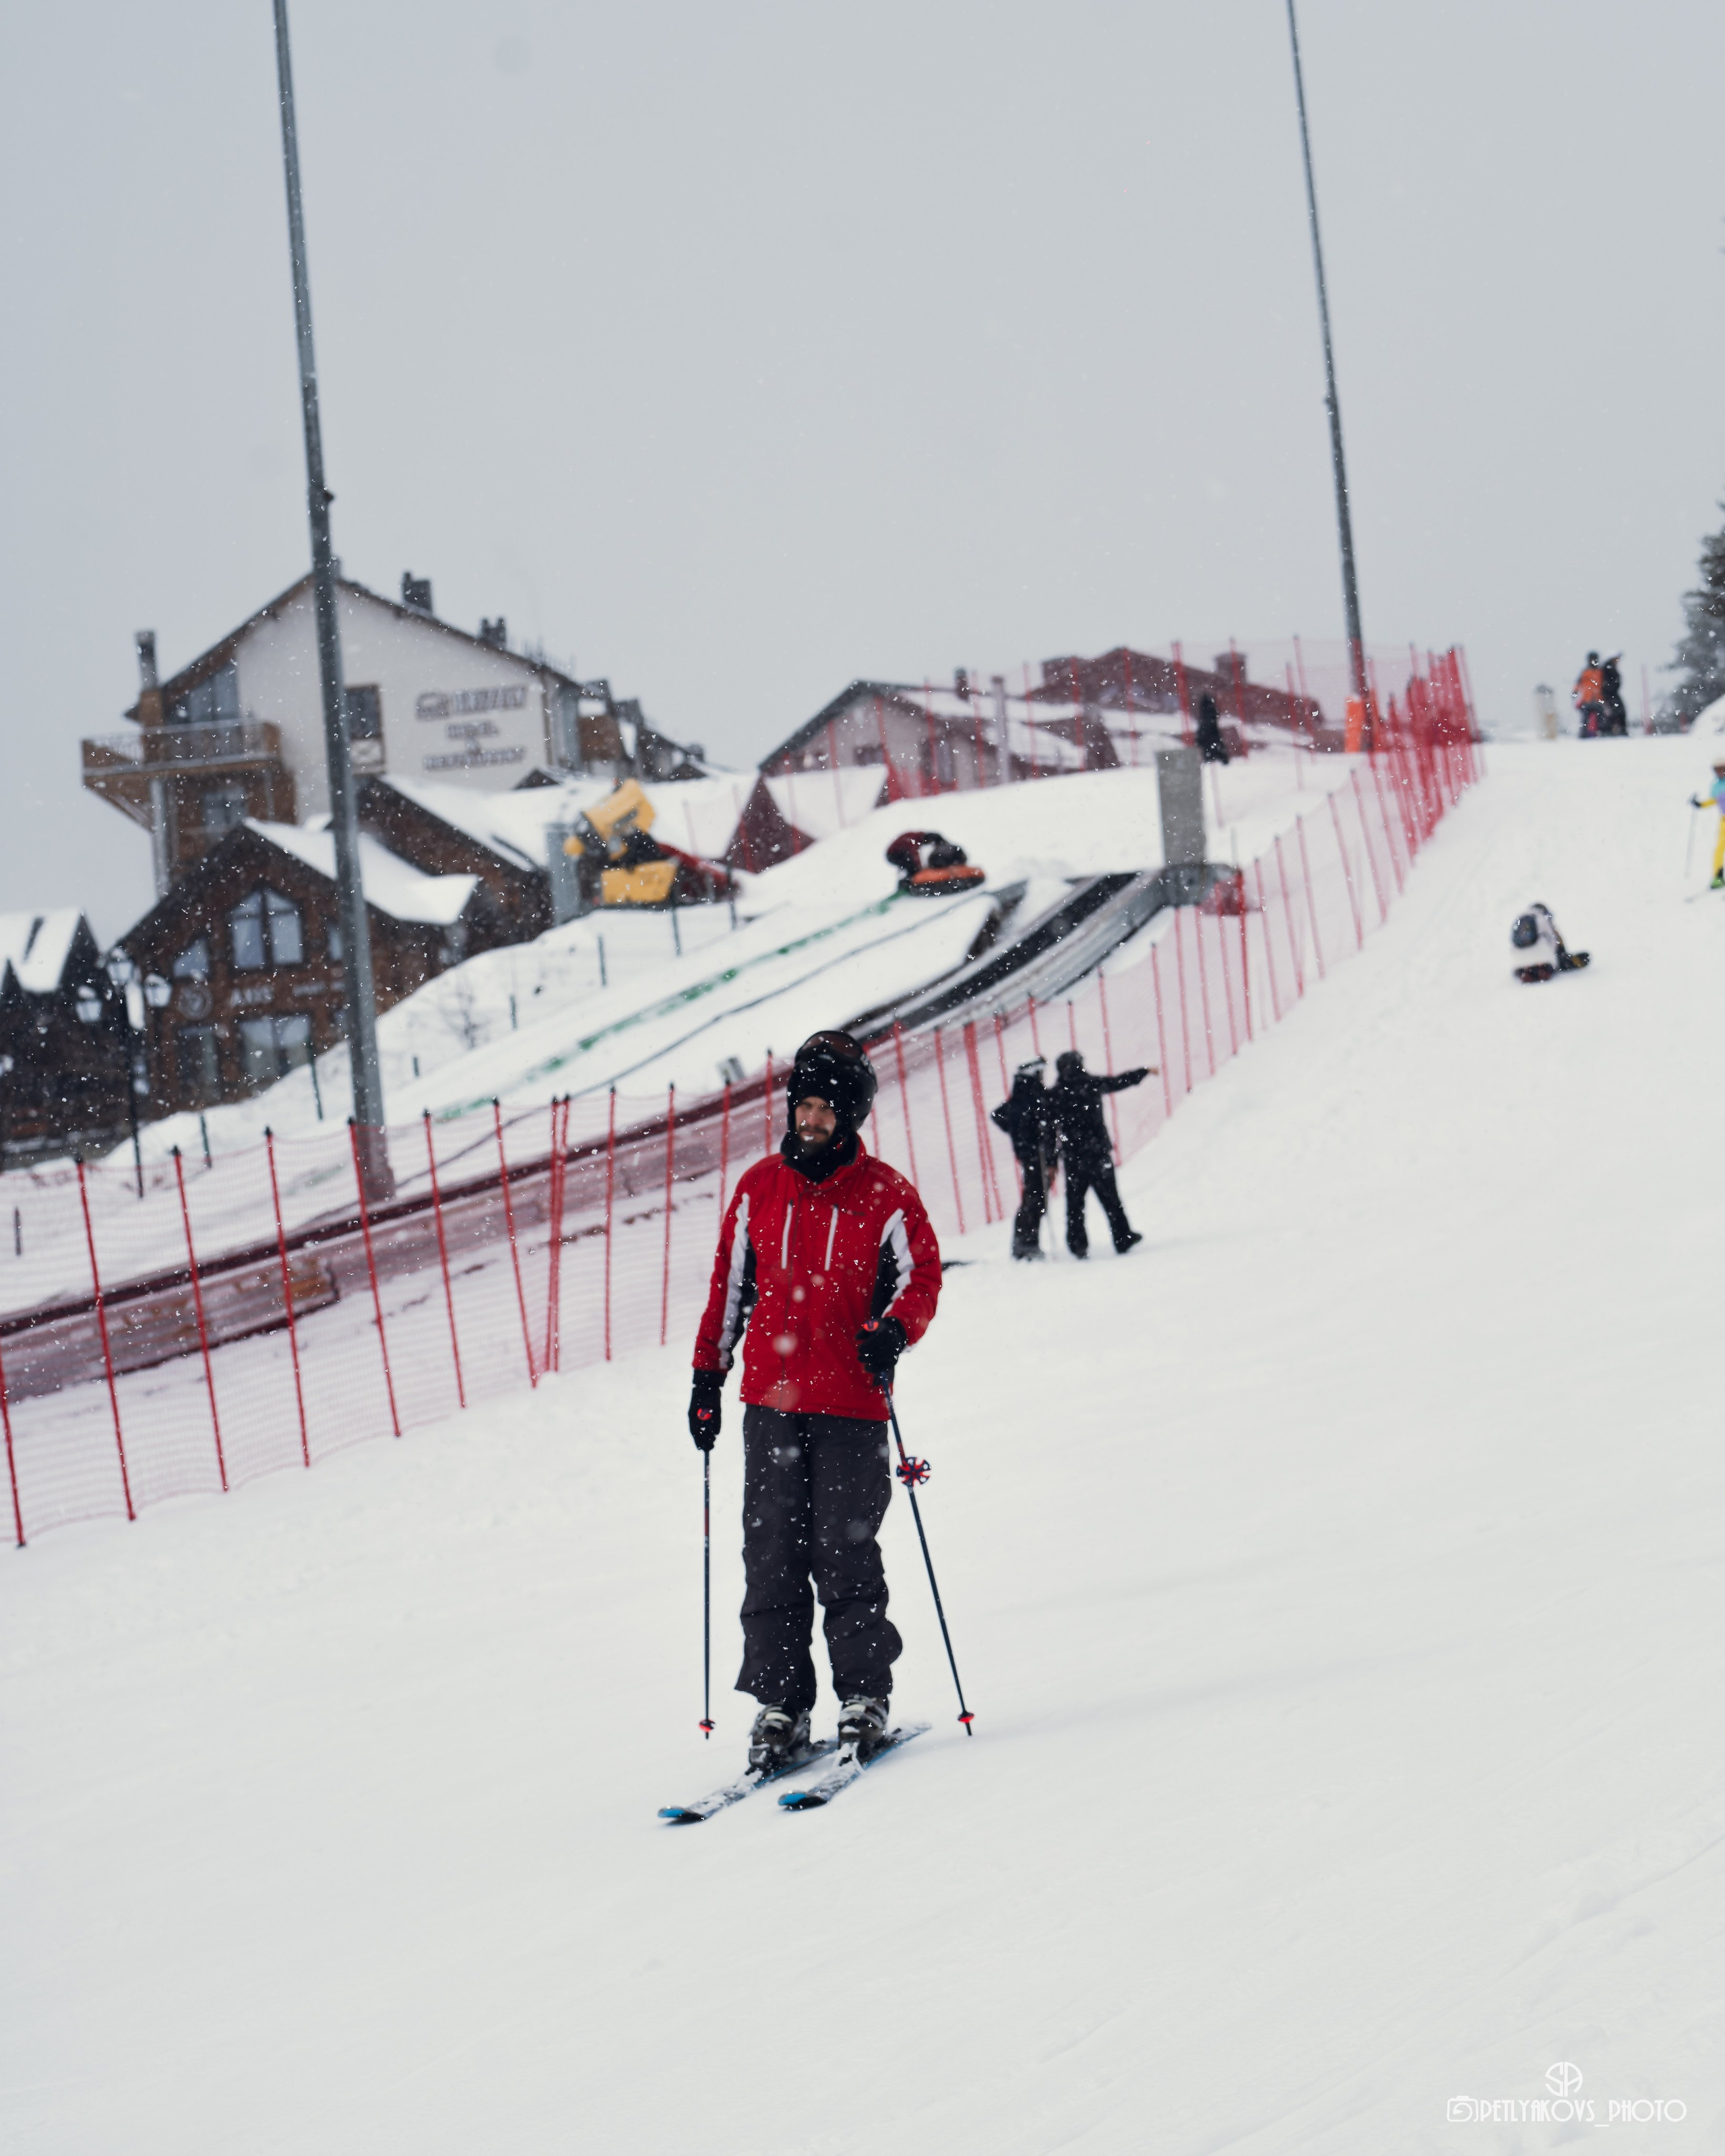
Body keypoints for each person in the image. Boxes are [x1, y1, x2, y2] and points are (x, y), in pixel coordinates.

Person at [688, 1029, 942, 1771]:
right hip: (769, 1403)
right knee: (770, 1554)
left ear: (850, 1115)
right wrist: (706, 1377)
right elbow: (728, 1289)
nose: (810, 1119)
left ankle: (863, 1695)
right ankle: (781, 1705)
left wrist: (895, 1331)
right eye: (802, 1105)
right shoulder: (759, 1189)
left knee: (845, 1553)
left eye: (825, 1109)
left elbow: (922, 1277)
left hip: (851, 1406)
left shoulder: (887, 1195)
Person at [1048, 1048, 1153, 1257]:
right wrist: (1143, 1072)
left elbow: (1049, 1131)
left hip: (1073, 1157)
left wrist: (1052, 1160)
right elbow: (1118, 1082)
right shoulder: (1090, 1084)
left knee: (1075, 1204)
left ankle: (1078, 1244)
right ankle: (1123, 1238)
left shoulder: (1055, 1094)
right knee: (1111, 1199)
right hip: (1097, 1153)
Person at [991, 1058, 1053, 1259]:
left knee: (1034, 1198)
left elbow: (1000, 1115)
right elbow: (1000, 1116)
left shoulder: (1023, 1092)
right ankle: (1026, 1243)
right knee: (1035, 1199)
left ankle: (1026, 1242)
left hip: (1031, 1155)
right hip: (1034, 1156)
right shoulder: (1030, 1094)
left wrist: (1019, 1136)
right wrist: (1026, 1138)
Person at [1509, 903, 1590, 983]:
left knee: (1530, 969)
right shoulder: (1541, 918)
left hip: (1520, 963)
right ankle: (1541, 970)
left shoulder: (1519, 918)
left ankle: (1526, 972)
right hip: (1544, 961)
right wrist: (1561, 954)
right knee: (1582, 958)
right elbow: (1555, 940)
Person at [1690, 757, 1725, 890]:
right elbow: (1713, 801)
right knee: (1719, 850)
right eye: (1717, 770)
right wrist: (1699, 804)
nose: (1720, 772)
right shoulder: (1716, 786)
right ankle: (1718, 877)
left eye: (1722, 769)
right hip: (1724, 822)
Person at [1572, 653, 1605, 739]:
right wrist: (1575, 692)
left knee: (1600, 717)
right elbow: (1579, 683)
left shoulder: (1600, 672)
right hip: (1587, 699)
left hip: (1598, 699)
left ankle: (1600, 732)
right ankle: (1584, 734)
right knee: (1585, 718)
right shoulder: (1586, 672)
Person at [1195, 692, 1230, 765]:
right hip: (1212, 736)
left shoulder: (1205, 715)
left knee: (1212, 750)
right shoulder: (1210, 712)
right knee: (1216, 749)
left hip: (1209, 736)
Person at [1599, 654, 1629, 737]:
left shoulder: (1610, 668)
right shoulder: (1608, 668)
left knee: (1617, 712)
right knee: (1614, 712)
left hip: (1612, 693)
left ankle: (1616, 730)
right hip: (1609, 694)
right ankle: (1610, 731)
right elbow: (1608, 682)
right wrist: (1610, 688)